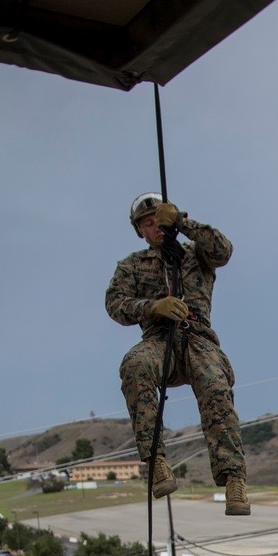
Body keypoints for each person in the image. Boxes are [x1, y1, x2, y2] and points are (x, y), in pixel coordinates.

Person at [105, 194, 249, 516]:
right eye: (147, 222)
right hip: (159, 338)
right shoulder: (132, 265)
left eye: (159, 218)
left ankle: (234, 479)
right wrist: (153, 307)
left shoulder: (195, 254)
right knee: (135, 364)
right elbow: (115, 303)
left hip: (197, 337)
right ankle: (156, 461)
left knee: (215, 384)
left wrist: (184, 224)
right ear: (140, 230)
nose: (155, 226)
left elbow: (223, 251)